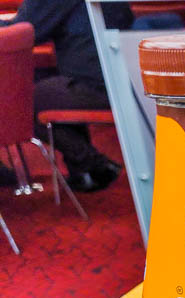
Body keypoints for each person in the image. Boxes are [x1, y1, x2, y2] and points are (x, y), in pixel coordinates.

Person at [1, 0, 133, 192]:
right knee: (37, 84)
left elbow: (24, 30)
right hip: (120, 76)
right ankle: (85, 168)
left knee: (19, 99)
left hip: (97, 86)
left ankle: (92, 164)